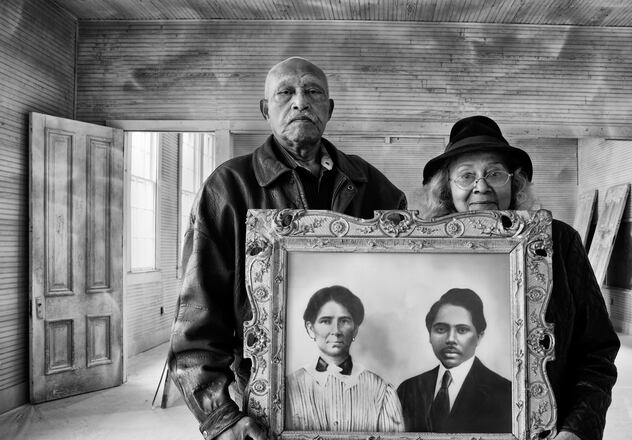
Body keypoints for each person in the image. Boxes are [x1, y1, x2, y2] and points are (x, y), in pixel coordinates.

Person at [168, 57, 407, 440]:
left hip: (363, 389)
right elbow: (197, 317)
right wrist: (221, 416)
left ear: (329, 108)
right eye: (286, 93)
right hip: (267, 392)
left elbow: (401, 284)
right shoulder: (228, 187)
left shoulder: (371, 184)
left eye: (313, 91)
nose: (300, 102)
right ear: (266, 110)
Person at [419, 115, 620, 440]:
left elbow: (596, 350)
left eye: (494, 173)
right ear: (447, 187)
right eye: (466, 175)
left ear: (514, 183)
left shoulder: (559, 242)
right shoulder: (425, 251)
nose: (481, 185)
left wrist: (577, 428)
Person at [286, 285, 404, 432]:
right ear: (310, 328)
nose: (336, 331)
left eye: (344, 321)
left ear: (355, 329)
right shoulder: (288, 388)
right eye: (326, 321)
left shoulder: (380, 390)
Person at [397, 288, 511, 433]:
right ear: (429, 335)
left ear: (479, 337)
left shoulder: (505, 394)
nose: (450, 339)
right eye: (440, 329)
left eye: (462, 330)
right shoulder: (408, 390)